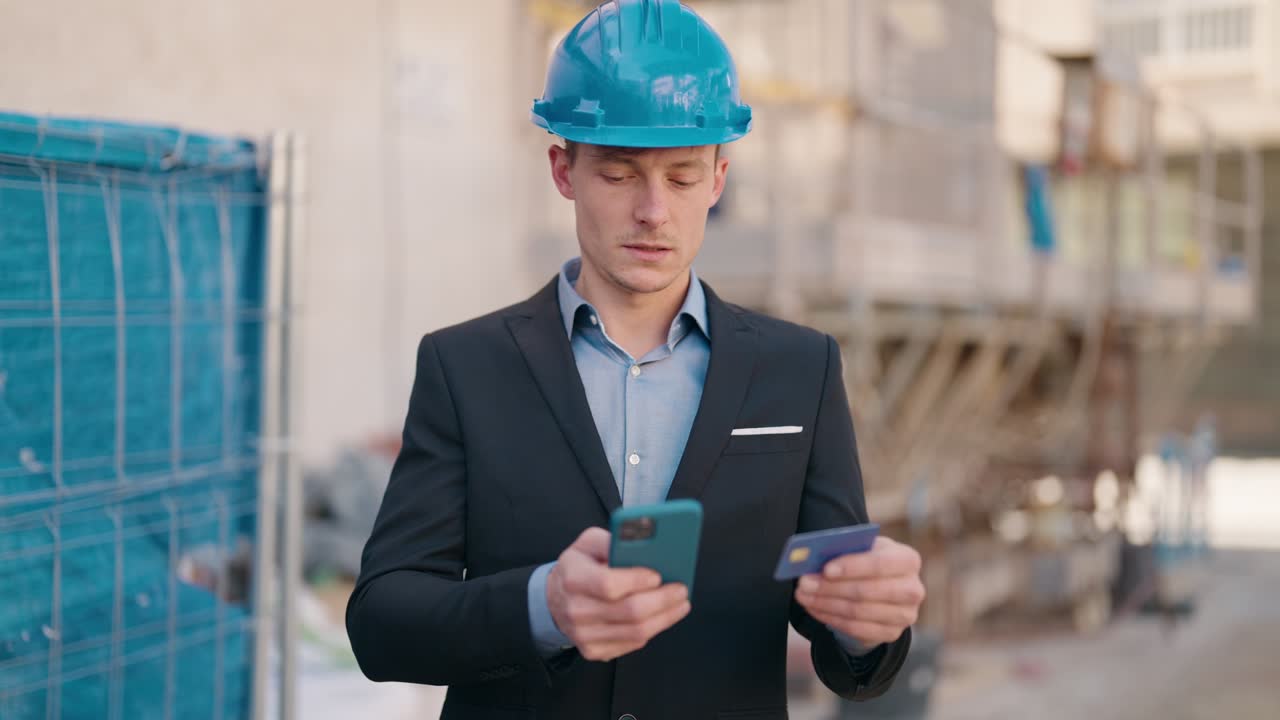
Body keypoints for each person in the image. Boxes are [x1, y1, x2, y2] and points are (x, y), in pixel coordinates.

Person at [346, 1, 925, 717]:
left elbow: (844, 641)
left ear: (718, 178)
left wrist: (867, 626)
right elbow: (382, 624)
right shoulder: (465, 368)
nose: (654, 211)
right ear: (564, 169)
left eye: (682, 178)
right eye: (620, 175)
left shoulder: (798, 372)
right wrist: (544, 605)